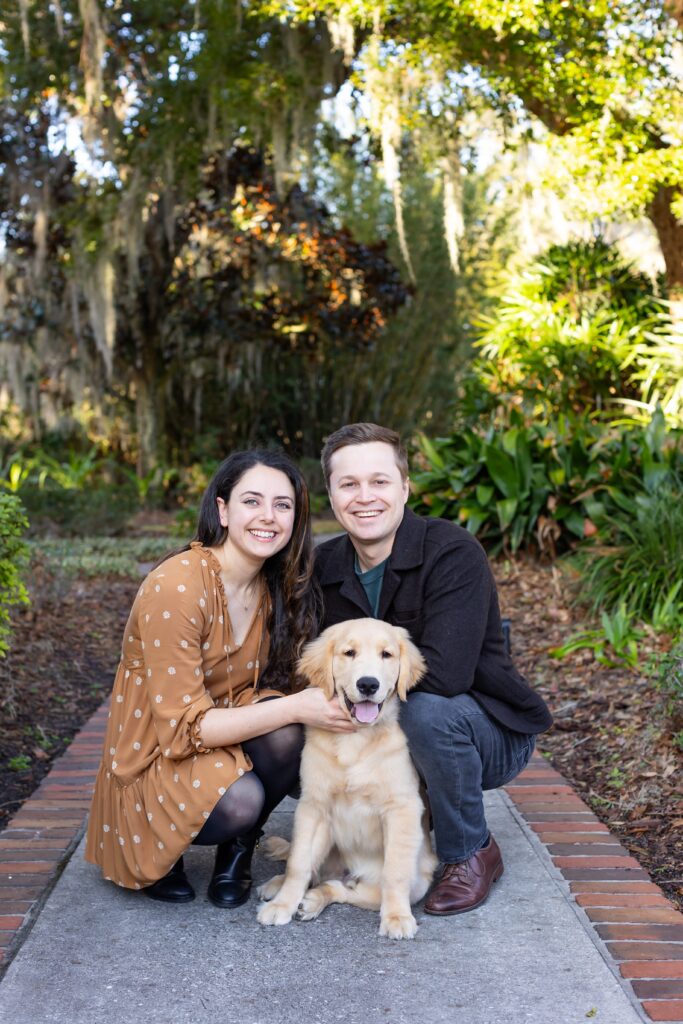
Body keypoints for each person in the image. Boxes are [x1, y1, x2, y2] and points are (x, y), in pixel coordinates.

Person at [85, 450, 354, 907]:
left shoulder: (273, 582)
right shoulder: (177, 587)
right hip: (156, 753)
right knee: (240, 799)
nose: (268, 517)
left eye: (282, 505)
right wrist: (294, 706)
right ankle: (157, 848)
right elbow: (186, 729)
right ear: (223, 510)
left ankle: (238, 852)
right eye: (252, 501)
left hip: (222, 728)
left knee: (292, 733)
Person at [314, 423, 553, 916]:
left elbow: (445, 677)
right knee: (303, 719)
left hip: (484, 728)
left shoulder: (452, 552)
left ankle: (469, 851)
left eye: (379, 482)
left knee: (424, 711)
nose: (365, 497)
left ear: (405, 486)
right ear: (332, 495)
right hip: (383, 717)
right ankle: (361, 842)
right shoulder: (323, 566)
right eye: (349, 484)